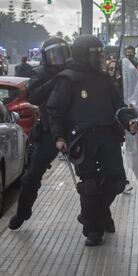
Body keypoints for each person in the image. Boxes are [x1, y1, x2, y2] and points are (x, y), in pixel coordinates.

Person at [46, 35, 138, 246]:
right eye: (95, 54)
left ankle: (95, 214)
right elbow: (55, 110)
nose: (100, 58)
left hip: (108, 136)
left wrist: (129, 122)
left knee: (116, 182)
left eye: (101, 54)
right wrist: (59, 136)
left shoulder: (105, 78)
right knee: (89, 186)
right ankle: (93, 230)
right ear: (82, 55)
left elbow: (119, 106)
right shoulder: (68, 78)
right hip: (83, 138)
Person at [8, 37, 72, 230]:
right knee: (31, 176)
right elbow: (34, 96)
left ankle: (102, 218)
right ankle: (22, 213)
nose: (58, 59)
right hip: (48, 131)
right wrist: (56, 80)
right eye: (54, 55)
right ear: (46, 56)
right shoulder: (41, 73)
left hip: (76, 129)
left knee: (92, 177)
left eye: (61, 54)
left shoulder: (74, 72)